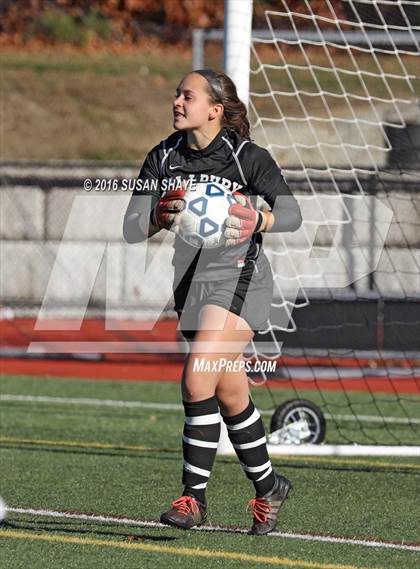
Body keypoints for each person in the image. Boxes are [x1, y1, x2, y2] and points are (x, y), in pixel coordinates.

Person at [123, 69, 302, 535]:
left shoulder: (247, 158)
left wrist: (257, 219)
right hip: (191, 284)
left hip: (241, 279)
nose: (177, 102)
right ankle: (269, 488)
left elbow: (292, 214)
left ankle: (193, 499)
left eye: (187, 95)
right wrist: (159, 215)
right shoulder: (163, 156)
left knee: (197, 378)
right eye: (176, 94)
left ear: (215, 110)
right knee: (230, 392)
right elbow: (130, 227)